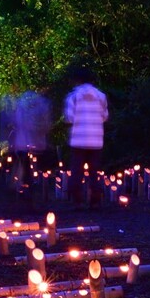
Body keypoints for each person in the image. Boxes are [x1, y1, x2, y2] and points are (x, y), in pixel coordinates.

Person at [63, 67, 108, 206]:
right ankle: (95, 201)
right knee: (95, 171)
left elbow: (69, 118)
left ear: (77, 80)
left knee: (77, 171)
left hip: (78, 140)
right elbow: (104, 116)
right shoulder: (101, 96)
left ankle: (77, 202)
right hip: (96, 141)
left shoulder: (73, 96)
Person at [10, 89, 53, 198]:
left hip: (25, 143)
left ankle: (27, 187)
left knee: (26, 166)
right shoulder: (41, 105)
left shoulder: (23, 105)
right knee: (29, 167)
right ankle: (30, 187)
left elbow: (17, 122)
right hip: (31, 143)